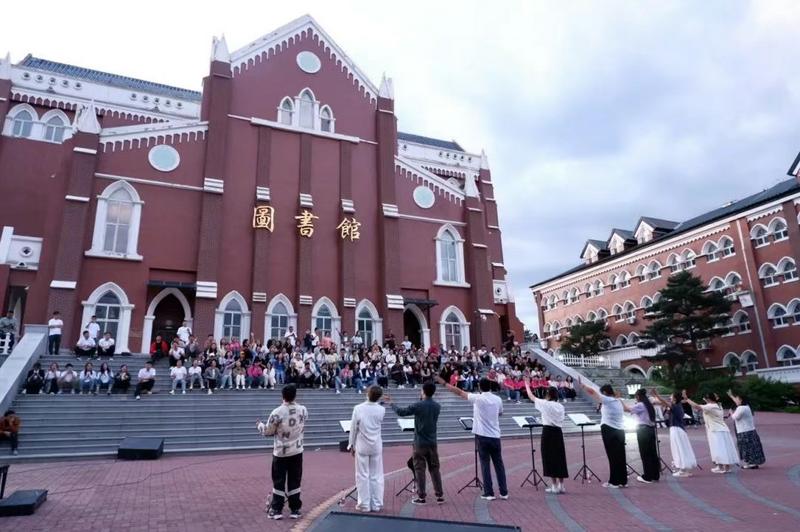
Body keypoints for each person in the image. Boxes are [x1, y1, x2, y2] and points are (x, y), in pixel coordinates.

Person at [437, 375, 508, 501]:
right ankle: (504, 492)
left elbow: (459, 392)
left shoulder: (478, 398)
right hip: (495, 435)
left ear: (480, 387)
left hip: (482, 435)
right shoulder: (497, 399)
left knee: (485, 464)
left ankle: (489, 492)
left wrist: (444, 384)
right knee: (499, 463)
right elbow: (501, 413)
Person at [386, 382, 444, 505]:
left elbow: (401, 412)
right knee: (435, 469)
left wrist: (391, 403)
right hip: (432, 442)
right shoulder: (437, 406)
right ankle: (439, 495)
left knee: (420, 469)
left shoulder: (418, 405)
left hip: (420, 442)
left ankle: (422, 496)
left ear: (423, 391)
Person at [257, 384, 308, 521]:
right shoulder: (303, 410)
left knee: (279, 481)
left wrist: (260, 425)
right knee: (295, 480)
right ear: (295, 395)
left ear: (282, 396)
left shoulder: (277, 412)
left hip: (281, 452)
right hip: (297, 451)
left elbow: (268, 431)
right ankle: (295, 509)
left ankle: (277, 509)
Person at [523, 378, 568, 493]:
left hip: (548, 432)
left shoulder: (545, 404)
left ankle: (553, 486)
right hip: (558, 432)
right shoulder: (560, 406)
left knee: (549, 458)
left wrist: (527, 386)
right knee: (560, 458)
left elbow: (531, 397)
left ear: (548, 395)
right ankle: (561, 486)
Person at [580, 379, 627, 488]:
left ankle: (614, 481)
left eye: (602, 393)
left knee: (612, 456)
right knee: (621, 456)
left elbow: (593, 392)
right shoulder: (618, 401)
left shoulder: (607, 400)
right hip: (620, 430)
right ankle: (622, 480)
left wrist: (583, 386)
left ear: (605, 393)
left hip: (609, 430)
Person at [348, 385, 386, 513]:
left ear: (367, 394)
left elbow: (353, 428)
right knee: (376, 475)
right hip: (376, 445)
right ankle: (376, 504)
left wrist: (351, 444)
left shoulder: (358, 408)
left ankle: (364, 504)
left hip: (362, 444)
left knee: (362, 475)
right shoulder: (381, 409)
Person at [683, 391, 738, 473]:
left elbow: (696, 406)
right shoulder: (718, 405)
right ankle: (720, 466)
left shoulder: (710, 406)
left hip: (716, 430)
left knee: (720, 449)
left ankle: (725, 467)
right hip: (720, 429)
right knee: (721, 449)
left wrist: (687, 399)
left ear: (708, 399)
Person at [651, 390, 696, 477]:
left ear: (675, 398)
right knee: (683, 448)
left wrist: (657, 395)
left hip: (676, 429)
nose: (670, 398)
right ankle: (688, 469)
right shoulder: (679, 405)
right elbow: (664, 404)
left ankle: (683, 470)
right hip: (680, 429)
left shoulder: (675, 405)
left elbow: (664, 402)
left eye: (671, 396)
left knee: (679, 449)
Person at [622, 389, 660, 484]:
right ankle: (655, 474)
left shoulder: (640, 405)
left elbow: (626, 409)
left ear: (638, 397)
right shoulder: (648, 404)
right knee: (652, 452)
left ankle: (647, 476)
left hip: (643, 430)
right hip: (651, 429)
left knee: (645, 453)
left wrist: (619, 401)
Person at [727, 390, 765, 469]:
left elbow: (735, 417)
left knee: (747, 447)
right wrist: (731, 396)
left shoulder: (741, 408)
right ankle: (749, 462)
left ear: (741, 400)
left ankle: (752, 463)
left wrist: (731, 413)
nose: (736, 401)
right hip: (749, 430)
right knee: (749, 447)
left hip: (745, 431)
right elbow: (737, 403)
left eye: (737, 399)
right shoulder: (746, 406)